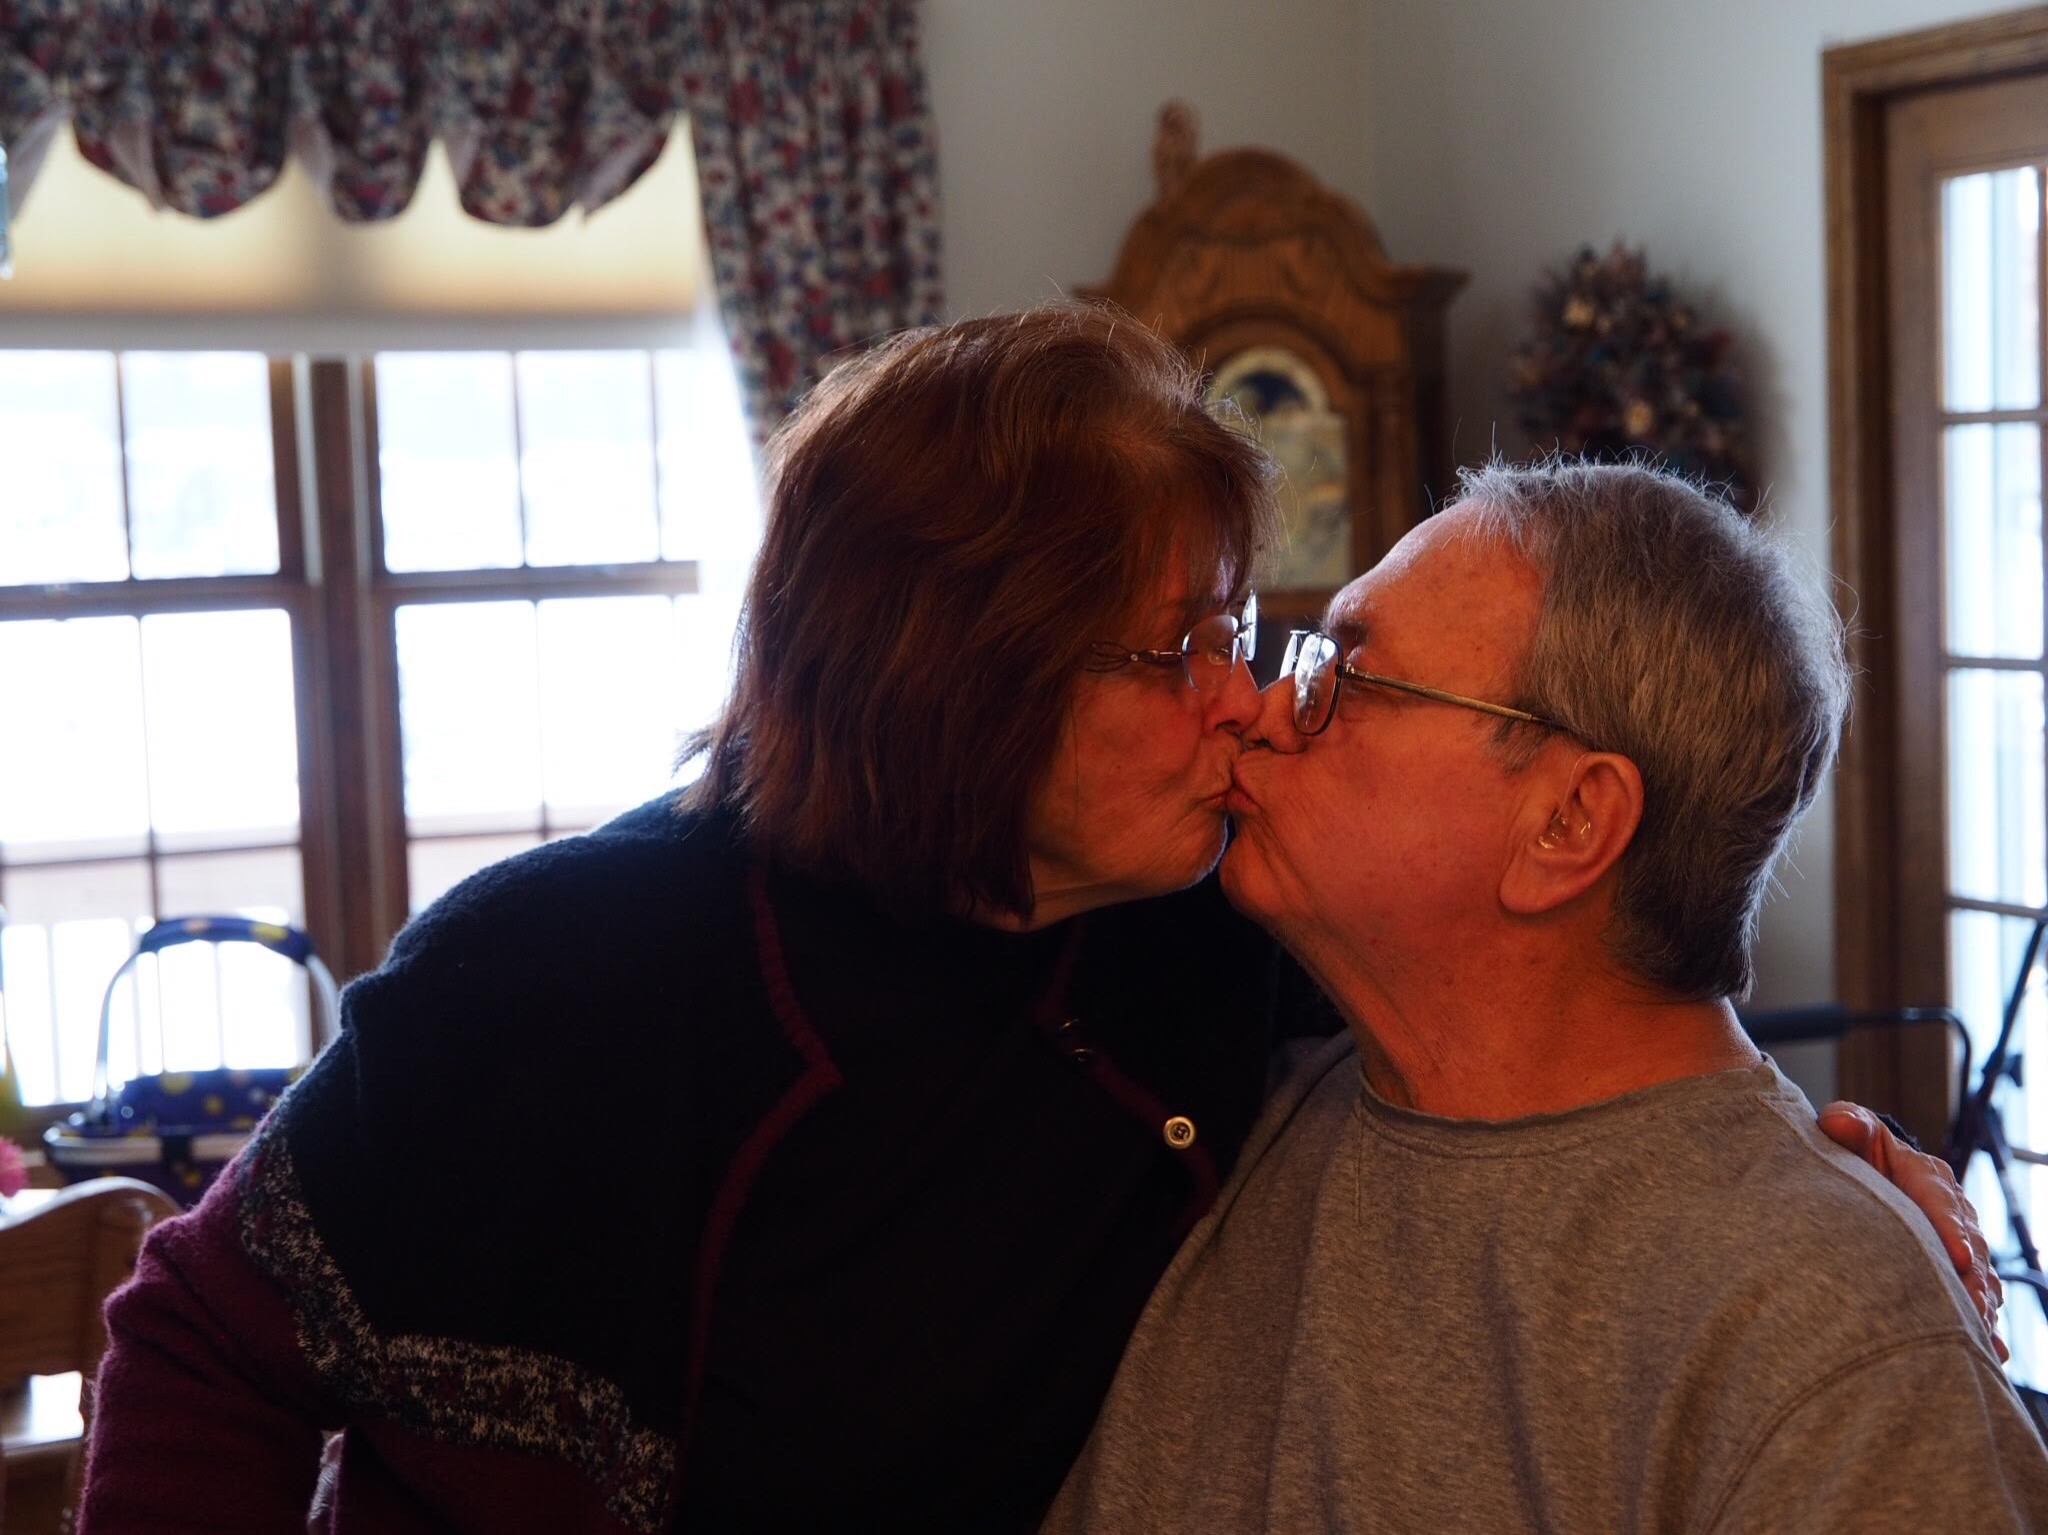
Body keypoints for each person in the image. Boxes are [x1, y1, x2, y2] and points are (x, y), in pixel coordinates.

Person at [79, 315, 1990, 1535]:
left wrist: (1829, 1206)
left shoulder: (1200, 937)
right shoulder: (566, 974)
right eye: (1189, 649)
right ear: (963, 686)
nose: (1251, 703)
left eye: (1276, 647)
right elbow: (204, 1347)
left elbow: (1582, 1059)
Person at [1045, 461, 2048, 1533]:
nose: (1262, 708)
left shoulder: (1827, 1339)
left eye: (1346, 673)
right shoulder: (1220, 1055)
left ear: (1569, 821)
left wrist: (1850, 1254)